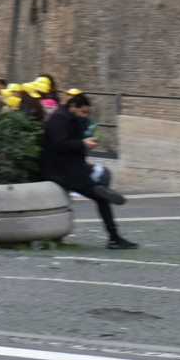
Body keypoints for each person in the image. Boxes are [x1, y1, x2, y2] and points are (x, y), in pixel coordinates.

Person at [39, 93, 136, 248]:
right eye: (83, 112)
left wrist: (84, 145)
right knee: (100, 197)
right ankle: (114, 238)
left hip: (72, 165)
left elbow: (74, 143)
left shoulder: (75, 119)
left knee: (104, 174)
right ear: (73, 107)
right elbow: (60, 144)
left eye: (86, 113)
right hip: (60, 170)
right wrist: (82, 144)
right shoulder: (59, 119)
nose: (84, 116)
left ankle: (101, 188)